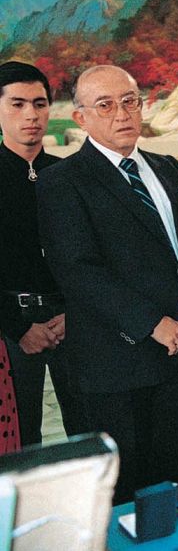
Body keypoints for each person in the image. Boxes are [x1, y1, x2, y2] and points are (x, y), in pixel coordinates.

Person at [37, 65, 178, 503]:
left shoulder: (167, 169)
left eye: (130, 101)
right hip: (116, 363)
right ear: (80, 118)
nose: (122, 113)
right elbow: (78, 270)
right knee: (127, 491)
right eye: (105, 105)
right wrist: (152, 322)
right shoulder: (63, 182)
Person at [0, 61, 88, 447]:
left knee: (89, 431)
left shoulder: (70, 175)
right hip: (10, 325)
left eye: (39, 104)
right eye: (17, 104)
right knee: (21, 443)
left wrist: (73, 312)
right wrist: (18, 328)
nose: (31, 115)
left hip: (73, 319)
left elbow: (91, 255)